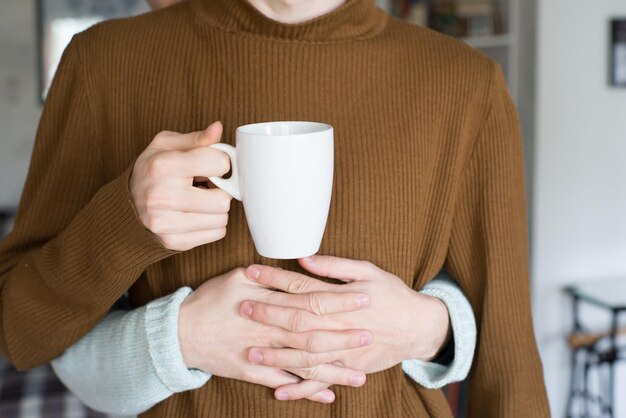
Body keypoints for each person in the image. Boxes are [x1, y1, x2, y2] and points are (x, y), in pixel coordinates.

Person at [0, 0, 550, 417]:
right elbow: (19, 330)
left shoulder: (466, 83)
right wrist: (128, 227)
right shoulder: (105, 62)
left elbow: (509, 356)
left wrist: (430, 329)